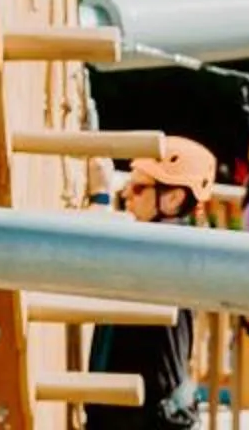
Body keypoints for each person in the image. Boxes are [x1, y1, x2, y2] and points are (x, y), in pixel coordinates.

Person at [85, 138, 216, 430]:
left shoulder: (164, 247)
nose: (127, 194)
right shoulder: (170, 241)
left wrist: (100, 199)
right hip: (145, 412)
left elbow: (91, 250)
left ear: (173, 199)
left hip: (150, 418)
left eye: (139, 187)